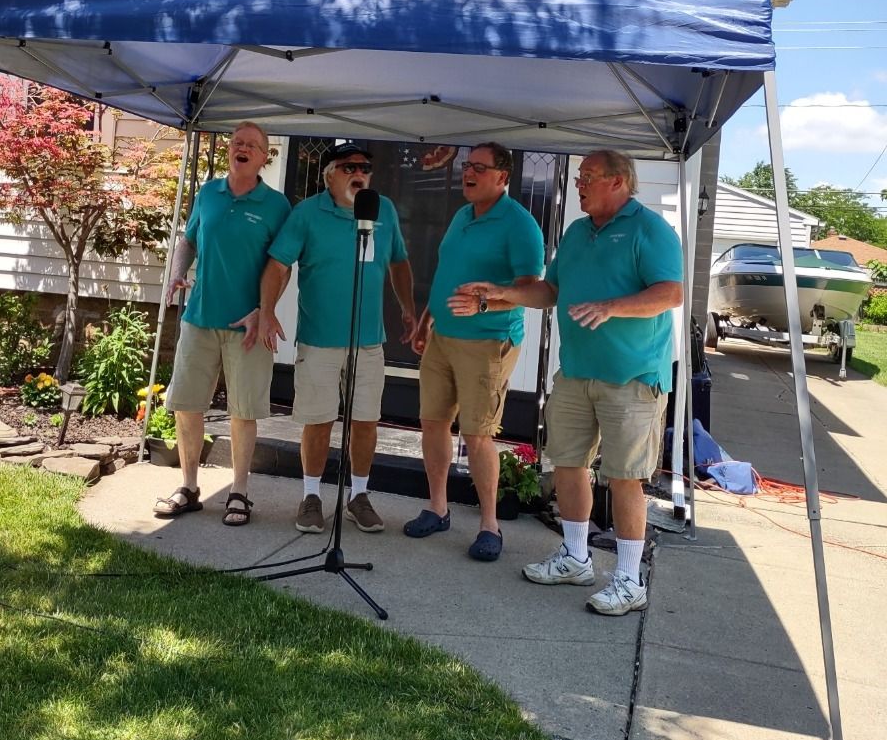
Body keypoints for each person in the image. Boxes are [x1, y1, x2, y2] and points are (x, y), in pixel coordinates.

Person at [450, 150, 683, 615]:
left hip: (632, 378)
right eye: (579, 177)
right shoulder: (577, 233)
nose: (579, 185)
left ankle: (628, 579)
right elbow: (549, 290)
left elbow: (670, 292)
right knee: (569, 466)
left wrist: (613, 306)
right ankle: (576, 557)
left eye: (589, 178)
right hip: (576, 372)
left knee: (624, 477)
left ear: (618, 182)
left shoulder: (649, 229)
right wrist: (500, 296)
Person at [259, 142, 415, 535]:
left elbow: (398, 262)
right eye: (348, 167)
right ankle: (311, 496)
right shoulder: (307, 212)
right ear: (329, 175)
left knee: (365, 421)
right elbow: (278, 264)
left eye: (365, 167)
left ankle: (358, 496)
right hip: (319, 338)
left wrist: (408, 309)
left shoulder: (384, 210)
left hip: (368, 341)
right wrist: (267, 310)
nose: (359, 173)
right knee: (319, 420)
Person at [404, 142, 545, 562]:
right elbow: (447, 273)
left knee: (478, 434)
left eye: (479, 168)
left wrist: (485, 302)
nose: (469, 173)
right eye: (468, 166)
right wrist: (426, 320)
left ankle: (489, 525)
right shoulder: (462, 215)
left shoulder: (520, 225)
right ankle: (438, 508)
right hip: (443, 337)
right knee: (432, 423)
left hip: (488, 340)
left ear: (503, 177)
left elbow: (531, 291)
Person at [154, 122, 291, 527]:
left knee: (243, 411)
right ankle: (190, 487)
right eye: (237, 143)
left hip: (248, 327)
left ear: (265, 157)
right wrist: (177, 273)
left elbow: (281, 267)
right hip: (199, 318)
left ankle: (239, 492)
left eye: (252, 145)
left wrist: (265, 311)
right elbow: (188, 240)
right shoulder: (208, 193)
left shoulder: (276, 205)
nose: (242, 148)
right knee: (186, 405)